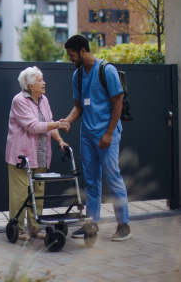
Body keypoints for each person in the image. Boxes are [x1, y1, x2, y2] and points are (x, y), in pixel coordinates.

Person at [59, 35, 132, 241]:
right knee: (90, 180)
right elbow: (78, 107)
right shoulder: (78, 75)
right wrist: (67, 121)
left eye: (72, 55)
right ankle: (91, 224)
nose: (71, 59)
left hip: (107, 133)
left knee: (112, 176)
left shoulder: (106, 70)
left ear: (83, 51)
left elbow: (117, 102)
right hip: (87, 135)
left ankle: (124, 225)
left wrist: (109, 133)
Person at [5, 66, 69, 241]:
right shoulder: (19, 100)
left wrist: (60, 140)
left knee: (38, 192)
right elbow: (33, 126)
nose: (44, 82)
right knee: (20, 194)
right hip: (22, 156)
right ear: (30, 85)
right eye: (40, 80)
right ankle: (18, 228)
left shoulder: (44, 100)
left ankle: (35, 228)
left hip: (40, 154)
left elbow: (49, 123)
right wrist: (57, 124)